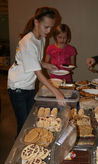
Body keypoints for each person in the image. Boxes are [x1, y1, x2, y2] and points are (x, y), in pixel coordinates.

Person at [8, 7, 65, 136]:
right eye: (46, 27)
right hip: (18, 86)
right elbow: (38, 73)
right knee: (24, 124)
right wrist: (57, 92)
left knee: (31, 120)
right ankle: (19, 153)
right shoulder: (28, 42)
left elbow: (35, 61)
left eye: (51, 27)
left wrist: (47, 65)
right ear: (36, 22)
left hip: (28, 85)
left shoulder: (42, 38)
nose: (49, 31)